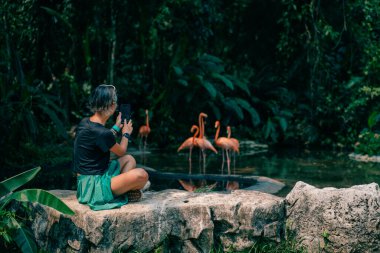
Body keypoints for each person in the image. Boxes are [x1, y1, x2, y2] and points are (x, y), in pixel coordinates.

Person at [73, 84, 149, 211]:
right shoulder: (103, 133)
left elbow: (102, 139)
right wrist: (125, 133)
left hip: (84, 185)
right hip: (94, 189)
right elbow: (121, 151)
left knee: (129, 159)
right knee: (142, 175)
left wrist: (116, 127)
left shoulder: (85, 123)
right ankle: (124, 191)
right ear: (112, 105)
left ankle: (122, 188)